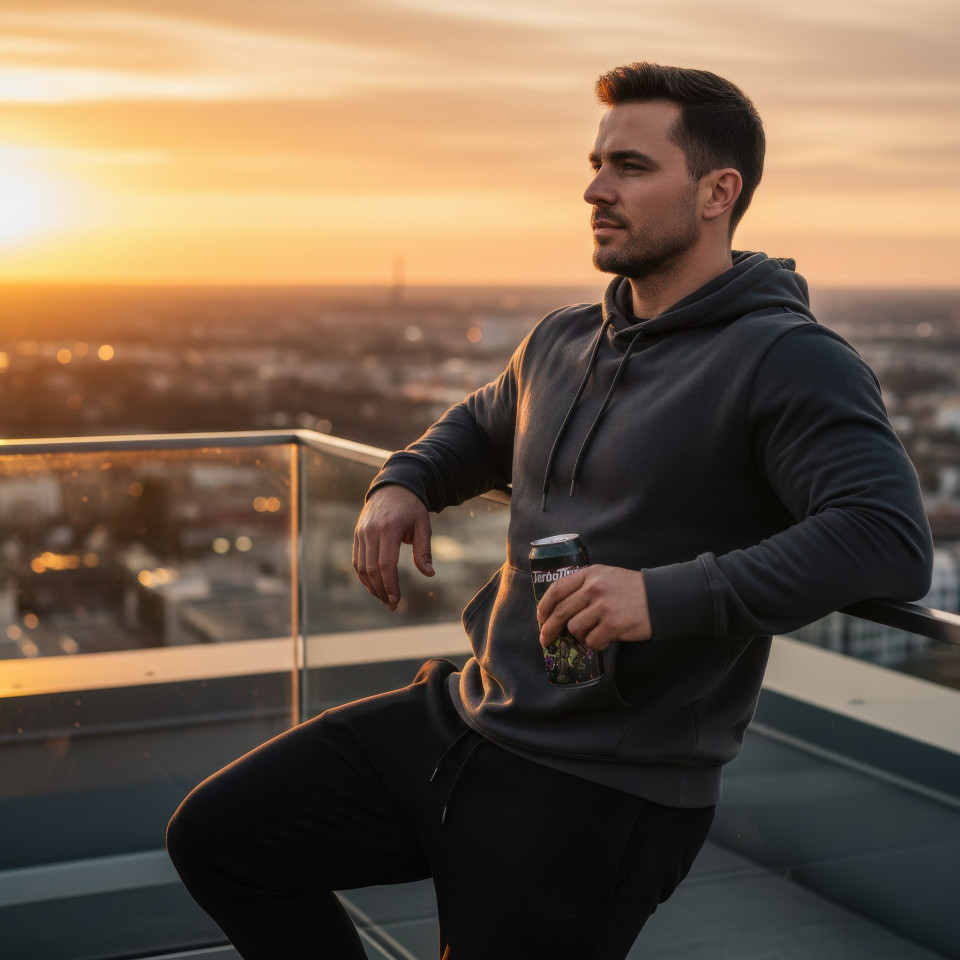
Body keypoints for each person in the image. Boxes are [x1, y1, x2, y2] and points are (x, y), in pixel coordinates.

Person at [167, 63, 934, 959]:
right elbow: (480, 427)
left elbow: (885, 538)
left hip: (603, 790)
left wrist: (665, 596)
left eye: (631, 167)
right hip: (466, 718)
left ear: (719, 192)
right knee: (222, 837)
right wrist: (403, 481)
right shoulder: (566, 338)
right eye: (597, 162)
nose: (594, 188)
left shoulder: (789, 359)